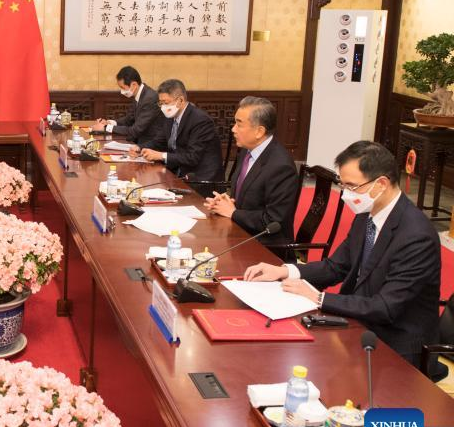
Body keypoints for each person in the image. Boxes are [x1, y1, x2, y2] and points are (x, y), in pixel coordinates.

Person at [243, 141, 440, 366]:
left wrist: (319, 298)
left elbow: (385, 307)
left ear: (381, 184)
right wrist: (285, 271)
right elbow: (336, 266)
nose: (345, 194)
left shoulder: (416, 236)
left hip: (394, 344)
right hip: (357, 322)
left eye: (352, 187)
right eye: (342, 185)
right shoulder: (367, 213)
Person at [205, 97, 298, 256]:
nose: (233, 129)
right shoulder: (248, 151)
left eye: (239, 124)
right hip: (240, 233)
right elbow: (247, 194)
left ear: (259, 131)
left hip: (266, 248)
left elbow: (273, 220)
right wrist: (226, 201)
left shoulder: (281, 166)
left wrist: (233, 213)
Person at [133, 79, 223, 182]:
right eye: (160, 103)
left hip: (200, 178)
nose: (163, 107)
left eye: (166, 103)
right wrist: (139, 148)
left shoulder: (200, 120)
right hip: (178, 170)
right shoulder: (170, 117)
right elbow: (159, 141)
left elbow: (192, 157)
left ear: (180, 100)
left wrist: (161, 156)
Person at [91, 66, 168, 149]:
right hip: (139, 143)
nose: (122, 91)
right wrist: (109, 123)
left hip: (151, 146)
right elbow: (128, 119)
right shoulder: (139, 94)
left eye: (123, 88)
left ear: (134, 85)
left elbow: (135, 130)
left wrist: (106, 128)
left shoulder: (149, 98)